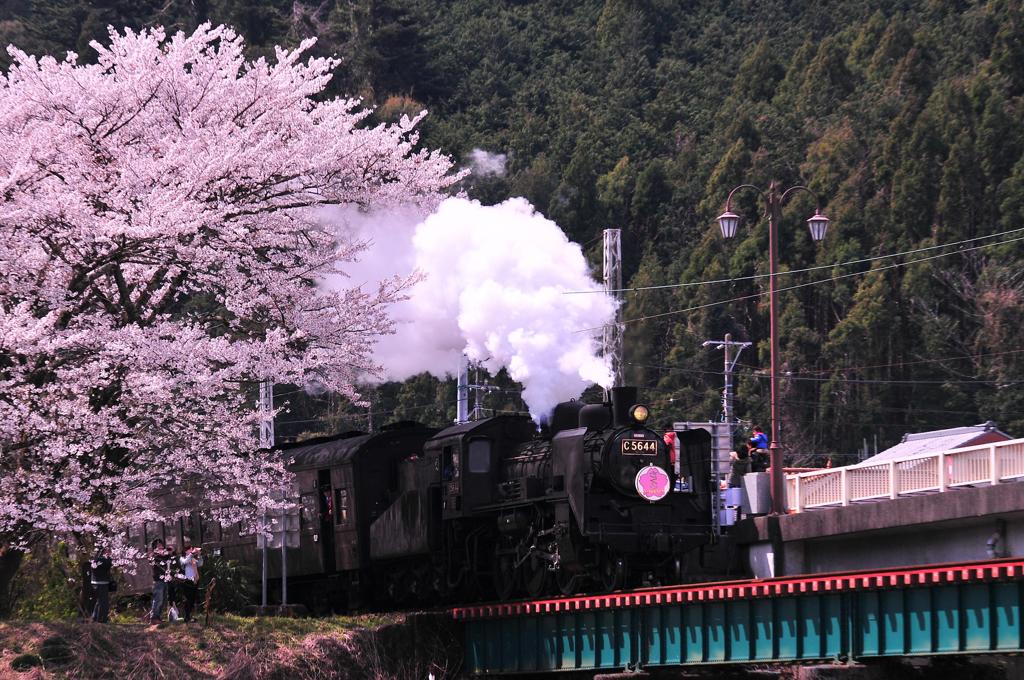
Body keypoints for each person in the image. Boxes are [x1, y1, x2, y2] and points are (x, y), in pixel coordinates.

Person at [177, 541, 203, 623]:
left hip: (195, 580)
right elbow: (185, 562)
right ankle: (187, 617)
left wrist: (199, 555)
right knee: (188, 599)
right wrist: (192, 554)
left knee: (193, 599)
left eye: (192, 549)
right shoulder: (182, 558)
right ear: (185, 551)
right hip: (187, 581)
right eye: (190, 549)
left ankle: (190, 616)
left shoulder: (192, 558)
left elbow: (200, 564)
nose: (191, 550)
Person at [148, 539, 172, 624]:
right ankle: (154, 617)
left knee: (163, 599)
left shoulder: (165, 555)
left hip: (165, 579)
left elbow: (169, 560)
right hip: (158, 580)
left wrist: (169, 552)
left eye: (161, 545)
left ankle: (158, 617)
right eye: (158, 545)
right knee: (158, 599)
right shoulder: (153, 555)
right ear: (154, 547)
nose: (160, 546)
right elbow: (153, 560)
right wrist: (160, 553)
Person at [89, 551, 113, 623]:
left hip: (95, 582)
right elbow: (109, 565)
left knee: (99, 601)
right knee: (103, 602)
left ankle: (95, 618)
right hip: (102, 582)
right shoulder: (105, 559)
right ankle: (101, 619)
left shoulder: (95, 558)